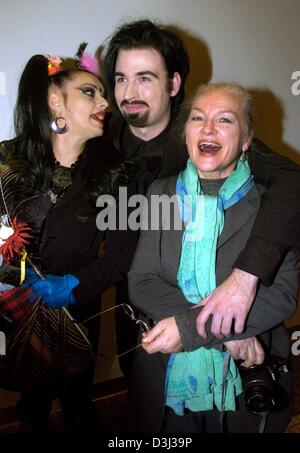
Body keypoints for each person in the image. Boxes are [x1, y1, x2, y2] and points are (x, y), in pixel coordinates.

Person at [102, 19, 300, 381]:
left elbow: (291, 183)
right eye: (120, 78)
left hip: (232, 312)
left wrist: (239, 289)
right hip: (136, 301)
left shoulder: (206, 137)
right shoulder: (103, 134)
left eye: (145, 78)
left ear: (173, 84)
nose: (129, 91)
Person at [127, 83, 299, 433]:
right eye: (197, 118)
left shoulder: (276, 203)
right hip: (167, 368)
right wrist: (225, 332)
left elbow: (282, 295)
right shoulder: (160, 192)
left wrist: (191, 329)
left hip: (248, 375)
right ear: (186, 133)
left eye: (224, 119)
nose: (208, 128)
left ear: (247, 140)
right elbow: (141, 282)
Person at [0, 44, 137, 432]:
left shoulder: (115, 176)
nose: (105, 103)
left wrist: (77, 284)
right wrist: (14, 280)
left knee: (78, 404)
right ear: (54, 101)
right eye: (90, 92)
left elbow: (122, 255)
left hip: (79, 314)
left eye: (103, 93)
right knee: (33, 406)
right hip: (17, 314)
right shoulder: (7, 163)